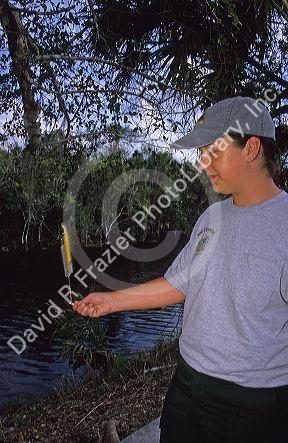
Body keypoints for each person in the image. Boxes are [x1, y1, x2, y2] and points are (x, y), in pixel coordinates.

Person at [73, 96, 288, 442]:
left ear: (251, 149)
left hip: (255, 402)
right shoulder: (211, 218)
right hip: (186, 386)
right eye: (201, 154)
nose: (204, 164)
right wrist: (111, 302)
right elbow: (179, 283)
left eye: (213, 151)